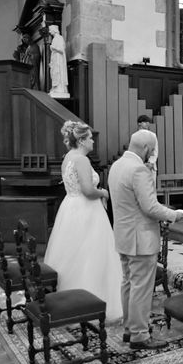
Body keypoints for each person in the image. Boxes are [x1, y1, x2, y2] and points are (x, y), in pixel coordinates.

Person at [108, 129, 183, 350]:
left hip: (123, 235)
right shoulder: (138, 170)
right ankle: (140, 335)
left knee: (128, 284)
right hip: (140, 239)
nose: (153, 154)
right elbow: (150, 207)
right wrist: (175, 215)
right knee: (141, 288)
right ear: (145, 149)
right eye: (152, 150)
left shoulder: (117, 166)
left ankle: (129, 329)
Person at [43, 120, 123, 321]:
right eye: (90, 139)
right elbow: (88, 191)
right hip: (86, 211)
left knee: (73, 252)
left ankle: (67, 300)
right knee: (91, 254)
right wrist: (104, 192)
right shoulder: (81, 160)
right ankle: (90, 300)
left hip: (70, 207)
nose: (93, 143)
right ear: (81, 140)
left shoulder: (68, 157)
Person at [48, 25, 69, 97]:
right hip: (55, 59)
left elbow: (62, 50)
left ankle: (59, 89)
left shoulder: (60, 38)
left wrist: (53, 47)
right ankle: (55, 87)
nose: (50, 32)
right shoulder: (54, 39)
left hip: (59, 59)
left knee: (58, 72)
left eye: (50, 30)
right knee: (54, 73)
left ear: (54, 30)